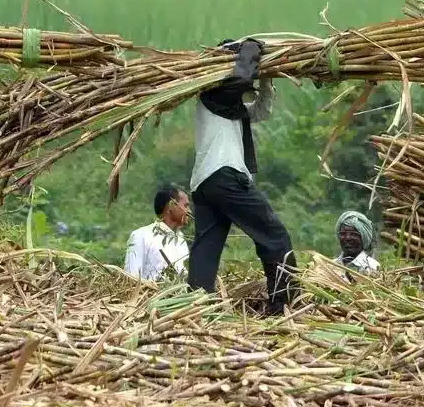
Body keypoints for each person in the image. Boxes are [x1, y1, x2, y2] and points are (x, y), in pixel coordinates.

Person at [186, 38, 297, 315]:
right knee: (275, 236)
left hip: (205, 184)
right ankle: (283, 305)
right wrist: (251, 49)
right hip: (225, 177)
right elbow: (242, 78)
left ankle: (195, 307)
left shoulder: (227, 106)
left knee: (206, 247)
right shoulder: (213, 94)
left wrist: (267, 77)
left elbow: (261, 111)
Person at [124, 185, 191, 282]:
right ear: (171, 205)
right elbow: (131, 279)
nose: (189, 211)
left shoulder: (181, 240)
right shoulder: (141, 236)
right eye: (186, 206)